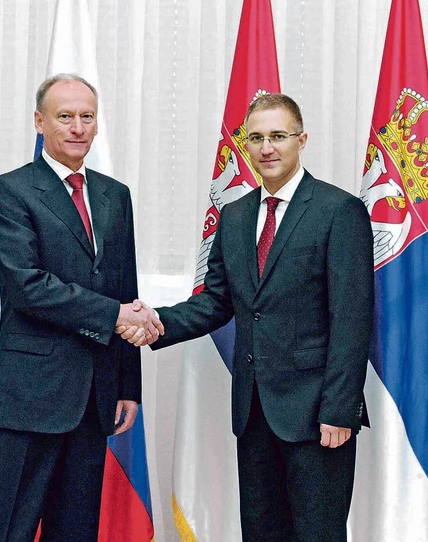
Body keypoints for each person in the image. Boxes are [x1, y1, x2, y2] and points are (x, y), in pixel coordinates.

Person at [123, 93, 374, 541]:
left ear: (301, 140)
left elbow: (352, 319)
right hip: (254, 412)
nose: (267, 148)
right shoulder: (235, 216)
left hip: (317, 415)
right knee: (260, 533)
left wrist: (339, 410)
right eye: (256, 138)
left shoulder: (339, 211)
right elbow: (217, 302)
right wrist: (156, 322)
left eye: (278, 136)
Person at [0, 73, 162, 542]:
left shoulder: (115, 195)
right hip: (28, 396)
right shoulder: (9, 191)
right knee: (1, 529)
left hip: (94, 395)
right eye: (65, 116)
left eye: (87, 116)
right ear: (40, 121)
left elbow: (125, 289)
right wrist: (115, 315)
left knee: (75, 530)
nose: (78, 127)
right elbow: (28, 287)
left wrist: (127, 384)